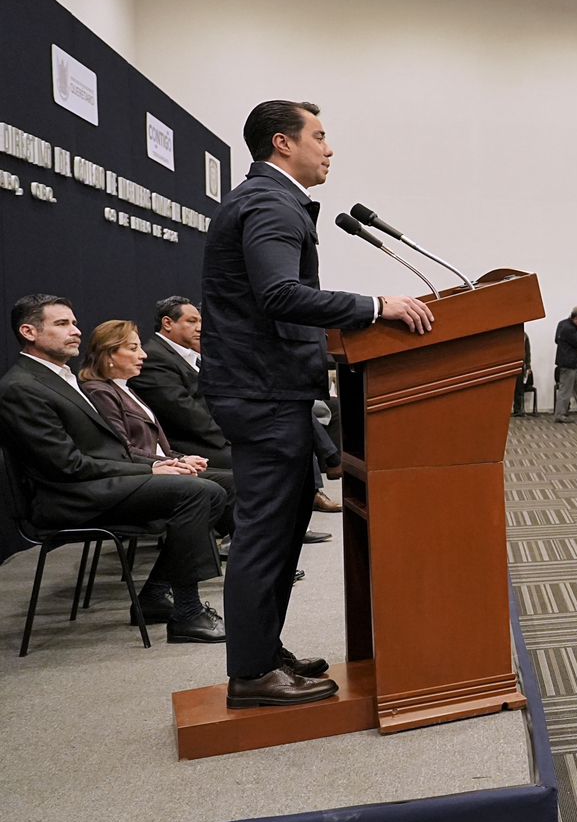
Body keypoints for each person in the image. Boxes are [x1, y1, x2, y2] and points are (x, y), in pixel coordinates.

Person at [201, 99, 433, 709]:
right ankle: (251, 674)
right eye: (321, 137)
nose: (330, 149)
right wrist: (373, 307)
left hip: (268, 388)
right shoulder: (271, 204)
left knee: (278, 532)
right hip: (264, 392)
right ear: (283, 143)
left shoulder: (265, 201)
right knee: (265, 535)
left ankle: (260, 649)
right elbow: (280, 294)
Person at [1, 296, 231, 642]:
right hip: (67, 496)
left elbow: (112, 450)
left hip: (97, 481)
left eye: (75, 323)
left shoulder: (59, 377)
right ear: (29, 331)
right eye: (62, 325)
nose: (76, 332)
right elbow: (66, 465)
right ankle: (187, 614)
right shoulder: (21, 387)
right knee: (198, 492)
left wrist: (163, 462)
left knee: (216, 487)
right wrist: (150, 472)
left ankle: (156, 594)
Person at [78, 320, 236, 525]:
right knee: (229, 484)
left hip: (161, 467)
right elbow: (121, 448)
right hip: (138, 475)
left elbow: (159, 445)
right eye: (133, 348)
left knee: (234, 480)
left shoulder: (126, 388)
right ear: (108, 355)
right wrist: (168, 463)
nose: (143, 355)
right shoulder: (99, 391)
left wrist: (182, 458)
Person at [128, 296, 231, 467]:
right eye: (191, 321)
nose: (200, 328)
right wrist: (230, 437)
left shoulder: (187, 356)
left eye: (200, 321)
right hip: (188, 445)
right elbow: (183, 411)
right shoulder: (154, 357)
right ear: (167, 323)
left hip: (211, 438)